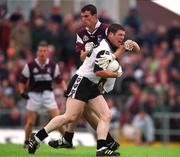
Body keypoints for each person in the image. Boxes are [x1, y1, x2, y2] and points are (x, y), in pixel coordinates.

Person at [28, 23, 134, 156]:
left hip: (91, 85)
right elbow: (98, 72)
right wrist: (115, 73)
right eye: (120, 35)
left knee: (105, 115)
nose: (122, 38)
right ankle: (37, 137)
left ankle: (102, 147)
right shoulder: (103, 48)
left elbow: (133, 49)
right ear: (110, 35)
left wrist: (131, 44)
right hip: (82, 81)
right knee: (70, 116)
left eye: (124, 36)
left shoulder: (109, 45)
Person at [48, 4, 121, 151]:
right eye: (82, 17)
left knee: (83, 112)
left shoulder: (106, 29)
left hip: (99, 74)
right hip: (86, 73)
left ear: (94, 16)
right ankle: (107, 143)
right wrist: (86, 51)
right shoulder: (81, 33)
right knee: (84, 112)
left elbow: (121, 45)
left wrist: (112, 57)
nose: (83, 19)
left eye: (86, 16)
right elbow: (82, 57)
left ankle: (68, 139)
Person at [18, 41, 67, 148]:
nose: (42, 53)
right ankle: (26, 142)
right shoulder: (30, 66)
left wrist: (65, 89)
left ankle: (67, 141)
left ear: (48, 52)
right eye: (40, 51)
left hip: (48, 95)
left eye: (44, 51)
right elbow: (21, 82)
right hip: (33, 95)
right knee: (30, 122)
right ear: (37, 52)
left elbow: (60, 80)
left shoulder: (53, 65)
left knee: (58, 119)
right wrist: (22, 92)